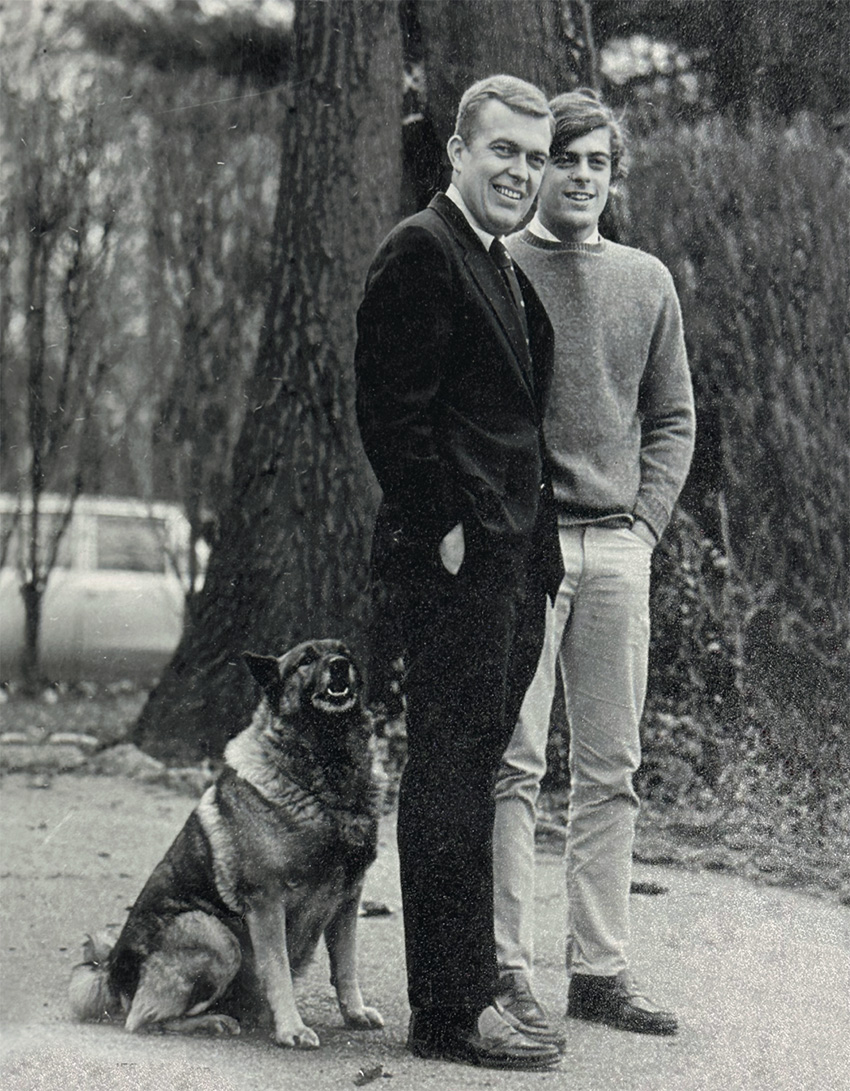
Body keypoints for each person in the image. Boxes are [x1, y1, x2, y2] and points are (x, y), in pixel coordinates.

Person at [354, 75, 563, 1070]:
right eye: (503, 152)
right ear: (459, 154)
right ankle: (447, 1010)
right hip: (458, 559)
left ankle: (471, 989)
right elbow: (389, 408)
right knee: (448, 776)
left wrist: (539, 562)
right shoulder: (423, 250)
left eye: (534, 155)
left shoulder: (499, 268)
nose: (521, 170)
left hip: (513, 565)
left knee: (472, 776)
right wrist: (439, 522)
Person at [493, 88, 696, 1040]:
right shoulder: (499, 267)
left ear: (613, 178)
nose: (578, 177)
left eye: (595, 163)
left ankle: (602, 971)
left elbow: (672, 417)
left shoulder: (647, 280)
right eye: (563, 159)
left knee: (612, 766)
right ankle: (506, 967)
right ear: (540, 168)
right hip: (525, 549)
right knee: (515, 761)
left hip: (617, 547)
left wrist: (645, 526)